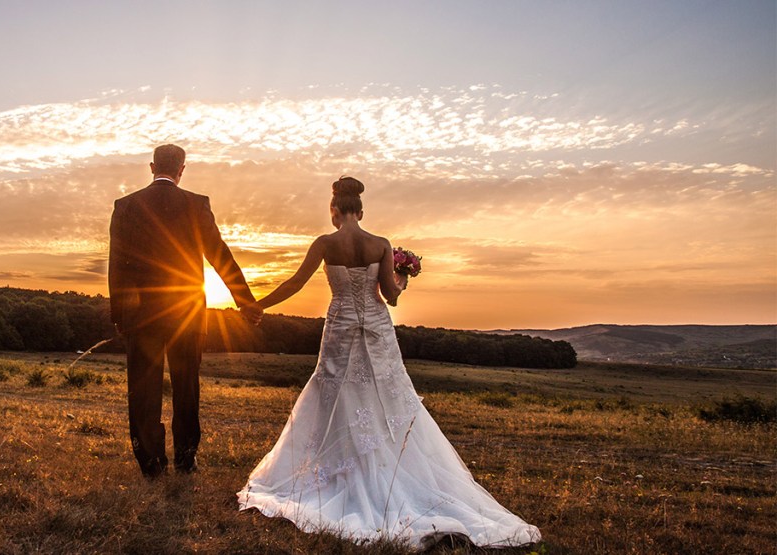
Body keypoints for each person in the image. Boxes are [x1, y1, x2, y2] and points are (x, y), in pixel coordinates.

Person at [237, 177, 541, 548]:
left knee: (335, 394)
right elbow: (391, 298)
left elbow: (296, 283)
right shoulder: (379, 244)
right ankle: (388, 468)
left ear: (334, 211)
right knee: (387, 397)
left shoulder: (325, 243)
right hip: (378, 330)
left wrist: (257, 305)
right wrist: (401, 280)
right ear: (360, 211)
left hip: (341, 328)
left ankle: (337, 471)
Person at [109, 144, 263, 478]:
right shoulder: (196, 204)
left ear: (152, 167)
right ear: (182, 169)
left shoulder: (126, 206)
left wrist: (120, 316)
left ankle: (150, 463)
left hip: (142, 314)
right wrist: (244, 300)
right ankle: (185, 457)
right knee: (187, 387)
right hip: (188, 311)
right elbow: (219, 254)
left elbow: (116, 265)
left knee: (143, 389)